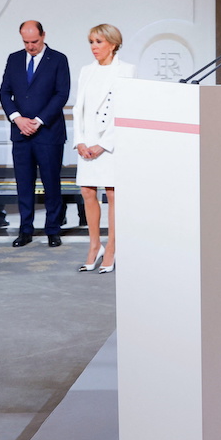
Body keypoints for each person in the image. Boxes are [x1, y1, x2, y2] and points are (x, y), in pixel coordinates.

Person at [0, 21, 70, 247]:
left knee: (51, 183)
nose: (30, 46)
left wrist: (38, 121)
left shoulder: (58, 59)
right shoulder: (13, 58)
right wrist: (17, 118)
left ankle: (52, 230)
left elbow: (61, 94)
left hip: (48, 133)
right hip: (21, 133)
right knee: (24, 184)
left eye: (35, 41)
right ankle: (25, 230)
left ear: (43, 36)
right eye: (26, 42)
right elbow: (4, 92)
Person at [72, 24, 136, 273]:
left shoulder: (127, 70)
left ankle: (112, 247)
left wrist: (104, 144)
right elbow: (79, 109)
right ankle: (94, 246)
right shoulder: (86, 71)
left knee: (112, 194)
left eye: (98, 42)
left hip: (111, 144)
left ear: (113, 43)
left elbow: (124, 111)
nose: (94, 47)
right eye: (90, 42)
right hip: (86, 143)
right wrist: (80, 141)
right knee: (88, 192)